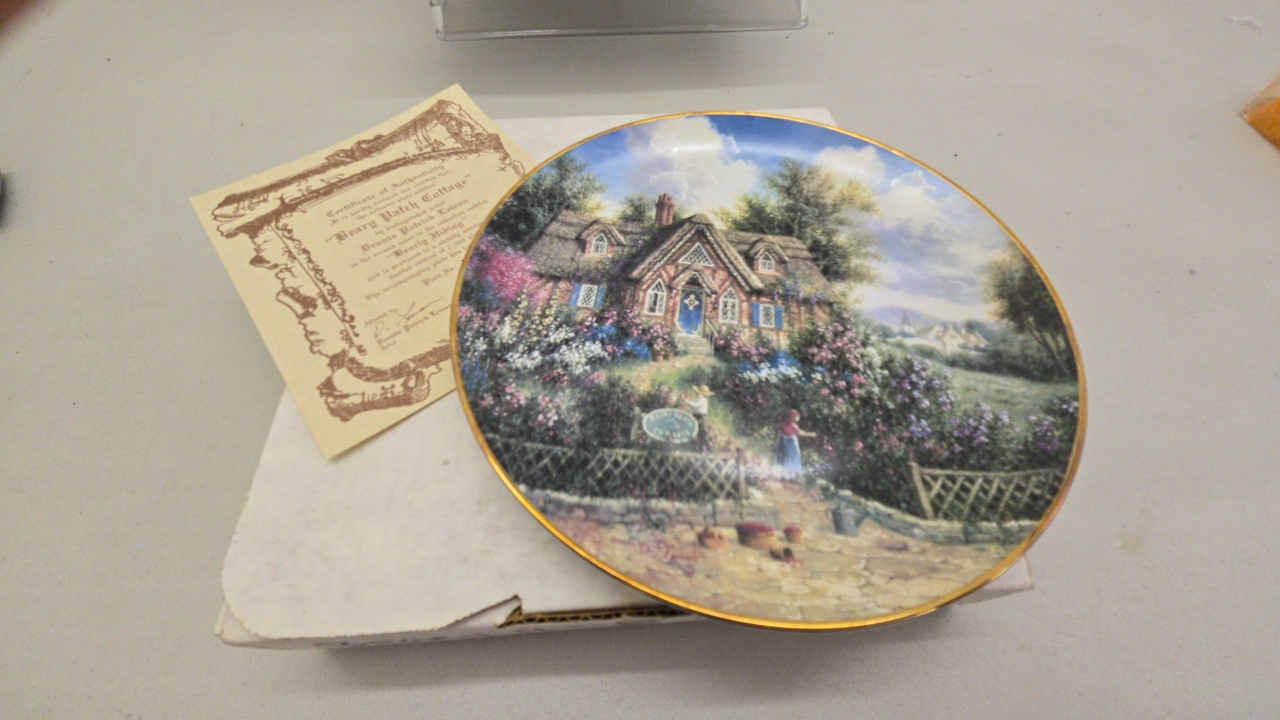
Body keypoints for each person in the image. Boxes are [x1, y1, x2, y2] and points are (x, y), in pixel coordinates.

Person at [776, 409, 816, 478]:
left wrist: (777, 442)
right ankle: (790, 474)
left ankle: (784, 474)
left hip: (783, 442)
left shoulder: (783, 425)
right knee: (792, 457)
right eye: (795, 416)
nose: (797, 418)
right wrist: (810, 434)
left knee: (785, 457)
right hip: (791, 443)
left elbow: (779, 434)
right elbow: (800, 433)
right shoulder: (793, 426)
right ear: (792, 417)